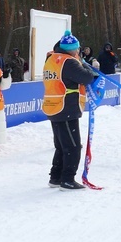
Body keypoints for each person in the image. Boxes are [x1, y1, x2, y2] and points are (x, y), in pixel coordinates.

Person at [42, 31, 98, 190]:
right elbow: (87, 77)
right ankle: (67, 179)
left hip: (54, 106)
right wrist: (89, 68)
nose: (78, 51)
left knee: (62, 146)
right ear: (72, 49)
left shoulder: (51, 58)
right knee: (73, 147)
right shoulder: (68, 62)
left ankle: (55, 177)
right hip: (66, 107)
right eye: (77, 49)